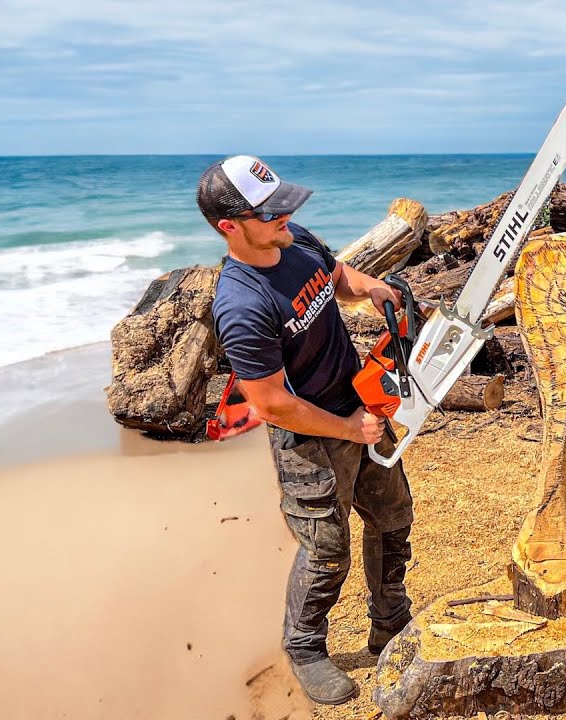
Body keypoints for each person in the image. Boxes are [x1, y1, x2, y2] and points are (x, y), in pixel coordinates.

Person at [197, 155, 414, 706]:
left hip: (361, 407)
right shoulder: (242, 305)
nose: (285, 218)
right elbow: (271, 404)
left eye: (285, 206)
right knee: (325, 548)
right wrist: (346, 428)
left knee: (392, 519)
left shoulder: (290, 239)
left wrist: (373, 288)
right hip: (312, 434)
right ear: (230, 226)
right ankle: (305, 646)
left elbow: (335, 277)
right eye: (269, 213)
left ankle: (391, 620)